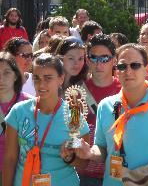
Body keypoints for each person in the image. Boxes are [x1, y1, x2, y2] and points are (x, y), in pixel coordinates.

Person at [74, 43, 148, 186]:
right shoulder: (106, 106)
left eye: (135, 65)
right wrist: (89, 153)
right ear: (117, 71)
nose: (128, 71)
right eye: (122, 66)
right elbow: (102, 148)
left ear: (147, 69)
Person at [3, 53, 90, 186]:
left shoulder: (74, 115)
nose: (41, 84)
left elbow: (84, 162)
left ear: (61, 79)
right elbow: (10, 158)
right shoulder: (19, 111)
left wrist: (69, 157)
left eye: (48, 78)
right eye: (36, 78)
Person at [78, 34, 121, 186]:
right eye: (94, 58)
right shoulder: (76, 93)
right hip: (85, 173)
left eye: (105, 58)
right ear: (87, 60)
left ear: (114, 60)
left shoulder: (125, 90)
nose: (99, 64)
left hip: (118, 172)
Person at [0, 52, 31, 183]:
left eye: (6, 72)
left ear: (15, 75)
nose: (0, 79)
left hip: (23, 172)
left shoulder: (31, 104)